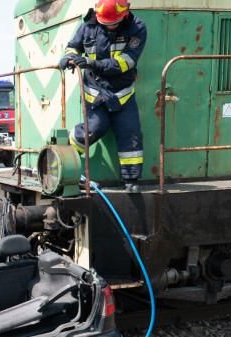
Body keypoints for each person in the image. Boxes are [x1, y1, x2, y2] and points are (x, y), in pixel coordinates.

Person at [59, 0, 146, 193]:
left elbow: (126, 62)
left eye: (112, 23)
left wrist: (93, 64)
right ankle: (62, 159)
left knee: (130, 134)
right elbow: (73, 46)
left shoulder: (137, 28)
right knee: (94, 128)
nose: (107, 26)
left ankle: (132, 181)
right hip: (95, 93)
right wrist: (68, 57)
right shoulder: (88, 26)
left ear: (124, 15)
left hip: (122, 94)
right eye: (104, 22)